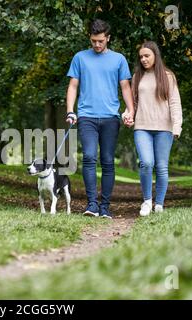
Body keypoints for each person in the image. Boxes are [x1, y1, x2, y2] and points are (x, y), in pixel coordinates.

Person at [65, 19, 135, 219]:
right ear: (90, 38)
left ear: (108, 39)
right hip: (86, 116)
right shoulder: (80, 58)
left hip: (110, 117)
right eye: (94, 41)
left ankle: (105, 206)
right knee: (88, 157)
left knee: (107, 161)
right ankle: (92, 205)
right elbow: (73, 86)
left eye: (101, 41)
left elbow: (125, 87)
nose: (97, 45)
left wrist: (130, 111)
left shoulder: (119, 59)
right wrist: (70, 110)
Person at [124, 41, 183, 216]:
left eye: (147, 56)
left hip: (164, 128)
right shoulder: (137, 77)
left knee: (162, 167)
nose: (143, 59)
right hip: (142, 127)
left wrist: (177, 126)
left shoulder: (168, 76)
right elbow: (132, 103)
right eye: (141, 56)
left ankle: (159, 204)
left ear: (155, 56)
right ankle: (147, 201)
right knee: (146, 163)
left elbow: (174, 103)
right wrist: (127, 115)